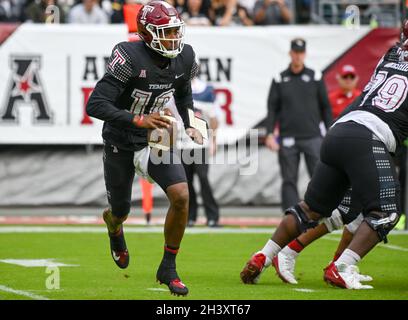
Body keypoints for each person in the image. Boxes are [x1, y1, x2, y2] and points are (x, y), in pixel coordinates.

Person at [240, 24, 408, 289]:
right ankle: (343, 266)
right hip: (368, 137)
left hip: (340, 131)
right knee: (386, 212)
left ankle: (266, 254)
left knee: (312, 209)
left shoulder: (391, 54)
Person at [86, 0, 203, 296]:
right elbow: (96, 104)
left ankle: (169, 267)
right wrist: (137, 120)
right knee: (121, 210)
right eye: (166, 32)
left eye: (175, 31)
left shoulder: (185, 57)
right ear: (147, 34)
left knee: (181, 195)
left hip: (156, 135)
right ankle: (114, 226)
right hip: (121, 139)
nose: (174, 38)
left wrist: (193, 124)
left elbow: (184, 93)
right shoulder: (129, 56)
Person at [265, 38, 333, 211]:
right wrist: (270, 133)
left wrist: (330, 131)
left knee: (318, 176)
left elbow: (325, 106)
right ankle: (291, 214)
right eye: (295, 52)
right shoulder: (280, 78)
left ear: (305, 54)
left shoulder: (315, 76)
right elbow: (272, 108)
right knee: (288, 179)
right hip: (288, 137)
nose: (298, 56)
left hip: (312, 136)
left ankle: (320, 211)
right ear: (290, 53)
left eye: (301, 52)